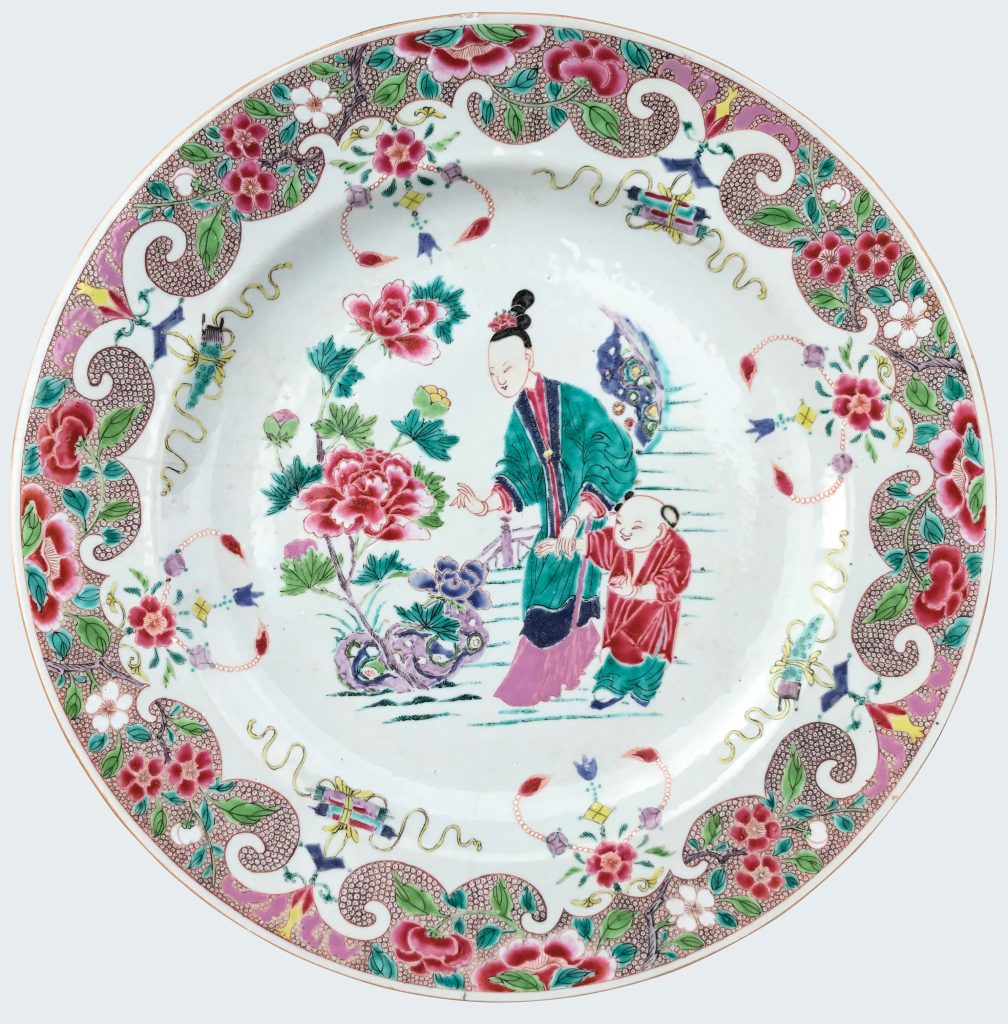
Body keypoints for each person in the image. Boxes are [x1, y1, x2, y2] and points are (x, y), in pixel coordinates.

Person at [451, 289, 637, 706]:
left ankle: (556, 682)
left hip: (586, 520)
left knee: (567, 600)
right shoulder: (521, 417)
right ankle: (550, 682)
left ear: (528, 359)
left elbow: (610, 454)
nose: (501, 378)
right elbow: (518, 474)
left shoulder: (575, 402)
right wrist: (483, 504)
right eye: (493, 372)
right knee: (541, 594)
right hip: (554, 528)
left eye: (507, 367)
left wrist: (577, 519)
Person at [537, 491, 690, 709]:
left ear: (659, 531)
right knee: (619, 647)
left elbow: (672, 583)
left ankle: (644, 688)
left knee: (648, 655)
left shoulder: (675, 549)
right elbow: (598, 543)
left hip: (655, 616)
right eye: (620, 523)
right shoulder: (621, 544)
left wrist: (636, 591)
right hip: (621, 610)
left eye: (636, 527)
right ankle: (611, 684)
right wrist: (561, 545)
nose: (624, 532)